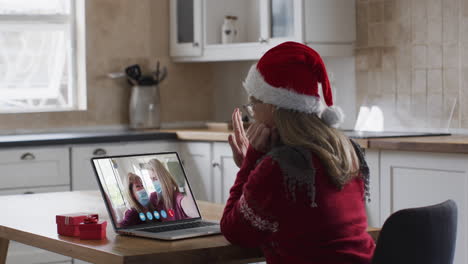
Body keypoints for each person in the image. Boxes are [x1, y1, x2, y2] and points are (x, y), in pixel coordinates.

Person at [221, 42, 375, 263]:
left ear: (273, 105)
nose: (252, 114)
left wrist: (251, 162)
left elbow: (233, 230)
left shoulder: (279, 167)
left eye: (254, 104)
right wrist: (257, 167)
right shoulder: (347, 149)